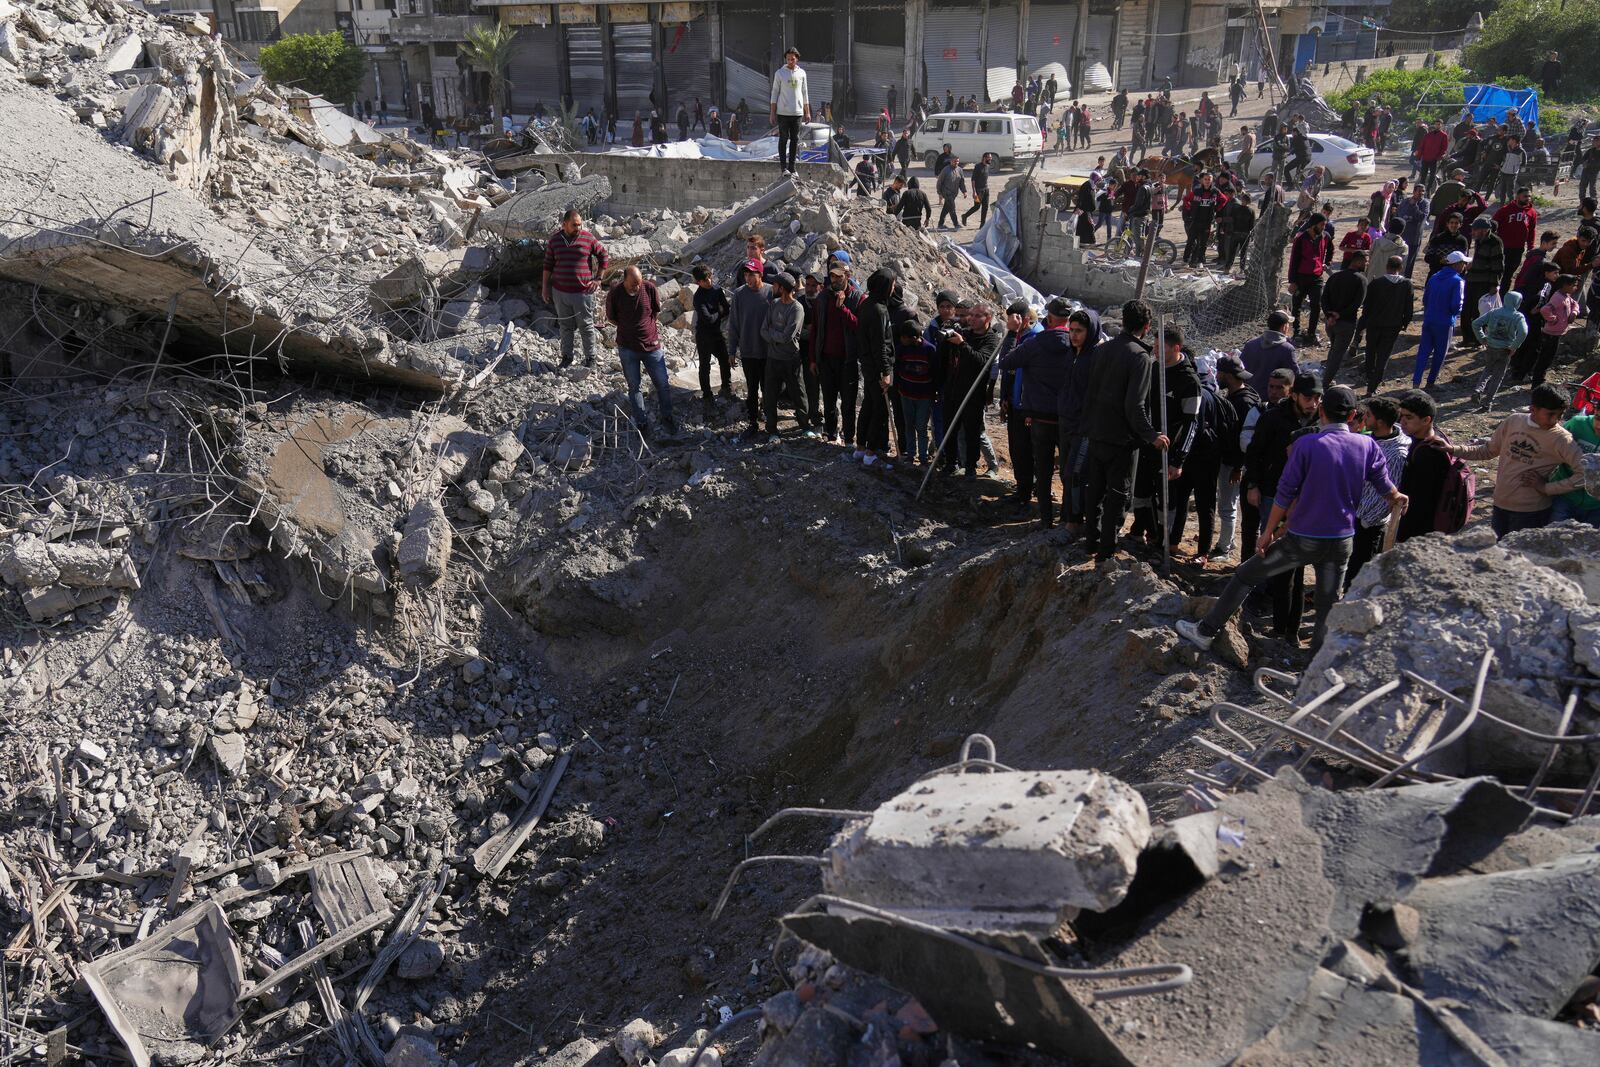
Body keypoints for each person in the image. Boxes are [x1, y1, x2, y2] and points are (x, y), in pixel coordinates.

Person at [1176, 384, 1405, 654]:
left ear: (1321, 411)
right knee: (1327, 606)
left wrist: (1268, 531)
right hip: (1342, 539)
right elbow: (1385, 485)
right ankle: (1316, 668)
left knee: (1245, 575)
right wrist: (1396, 497)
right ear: (1354, 415)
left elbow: (1285, 492)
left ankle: (1205, 631)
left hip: (1304, 537)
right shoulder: (1367, 445)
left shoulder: (1308, 444)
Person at [1081, 300, 1168, 560]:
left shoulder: (1102, 350)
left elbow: (1091, 392)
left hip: (1096, 431)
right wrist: (1152, 436)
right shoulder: (1140, 357)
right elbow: (1135, 405)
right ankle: (1106, 550)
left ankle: (1091, 542)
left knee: (1095, 490)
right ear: (1147, 326)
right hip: (1120, 439)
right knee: (1117, 496)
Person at [1449, 384, 1585, 537]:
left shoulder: (1561, 439)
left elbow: (1585, 474)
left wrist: (1546, 488)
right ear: (1533, 409)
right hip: (1501, 504)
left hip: (1531, 512)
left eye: (1560, 415)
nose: (1556, 420)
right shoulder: (1514, 421)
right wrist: (1452, 449)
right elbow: (1488, 450)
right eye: (1551, 414)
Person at [998, 298, 1072, 529]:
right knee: (1067, 469)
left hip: (1038, 415)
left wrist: (1011, 337)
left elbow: (1006, 362)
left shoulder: (1036, 343)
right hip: (1067, 416)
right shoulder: (1077, 344)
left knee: (1042, 466)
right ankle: (1068, 517)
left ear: (1048, 318)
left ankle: (1045, 518)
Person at [1344, 396, 1410, 591]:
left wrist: (1366, 520)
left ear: (1380, 422)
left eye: (1370, 415)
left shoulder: (1396, 454)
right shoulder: (1369, 440)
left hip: (1368, 524)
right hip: (1354, 513)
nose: (1366, 418)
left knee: (1360, 571)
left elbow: (1390, 495)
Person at [606, 267, 676, 437]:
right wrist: (628, 328)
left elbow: (655, 311)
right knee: (634, 386)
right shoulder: (615, 293)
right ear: (624, 280)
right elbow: (611, 318)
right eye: (632, 285)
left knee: (662, 384)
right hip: (627, 348)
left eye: (638, 284)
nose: (636, 288)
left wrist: (646, 330)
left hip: (651, 346)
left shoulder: (649, 288)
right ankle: (641, 422)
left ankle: (667, 417)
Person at [938, 302, 1002, 478]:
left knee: (972, 432)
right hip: (953, 389)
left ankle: (971, 467)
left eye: (977, 316)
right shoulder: (965, 333)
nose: (972, 319)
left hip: (973, 393)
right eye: (971, 315)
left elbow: (982, 361)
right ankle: (951, 463)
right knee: (949, 429)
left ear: (988, 318)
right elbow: (944, 356)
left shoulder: (991, 339)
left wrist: (962, 344)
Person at [542, 208, 609, 370]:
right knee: (565, 326)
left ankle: (590, 359)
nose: (578, 228)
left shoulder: (588, 238)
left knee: (586, 326)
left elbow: (603, 255)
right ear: (564, 224)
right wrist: (545, 288)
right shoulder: (555, 241)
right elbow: (547, 265)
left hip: (583, 293)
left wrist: (598, 278)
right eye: (574, 225)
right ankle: (566, 357)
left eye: (580, 225)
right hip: (560, 292)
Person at [1211, 355, 1261, 561]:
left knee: (1227, 505)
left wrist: (1238, 466)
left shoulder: (1243, 403)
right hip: (1234, 461)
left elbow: (1244, 439)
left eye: (1219, 373)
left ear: (1227, 376)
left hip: (1234, 463)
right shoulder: (1244, 396)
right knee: (1228, 503)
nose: (1217, 376)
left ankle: (1224, 547)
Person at [810, 266, 861, 444]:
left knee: (848, 403)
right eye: (832, 277)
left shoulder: (856, 297)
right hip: (826, 359)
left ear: (847, 276)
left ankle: (848, 438)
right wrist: (813, 359)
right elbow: (815, 330)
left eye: (838, 277)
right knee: (829, 401)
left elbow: (859, 327)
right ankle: (831, 434)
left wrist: (843, 309)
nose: (834, 281)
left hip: (848, 360)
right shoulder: (823, 298)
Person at [1393, 390, 1453, 543]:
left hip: (1419, 524)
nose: (1402, 422)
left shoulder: (1428, 452)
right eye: (1402, 416)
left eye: (1408, 417)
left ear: (1426, 420)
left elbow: (1421, 498)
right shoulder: (1434, 437)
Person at [855, 268, 897, 468]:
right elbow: (881, 345)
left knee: (868, 406)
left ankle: (860, 447)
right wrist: (886, 372)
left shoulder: (866, 304)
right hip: (877, 368)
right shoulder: (879, 310)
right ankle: (870, 452)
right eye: (892, 284)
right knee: (879, 410)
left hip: (868, 365)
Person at [758, 273, 808, 436]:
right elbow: (763, 330)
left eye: (775, 285)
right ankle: (771, 428)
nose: (772, 287)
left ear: (782, 288)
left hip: (790, 359)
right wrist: (776, 336)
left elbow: (788, 336)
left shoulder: (797, 308)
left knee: (798, 393)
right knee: (770, 395)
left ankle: (804, 426)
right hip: (773, 358)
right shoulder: (774, 304)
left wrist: (773, 335)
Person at [1360, 255, 1414, 396]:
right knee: (1383, 355)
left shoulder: (1376, 283)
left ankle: (1368, 375)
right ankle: (1372, 387)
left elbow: (1367, 306)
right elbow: (1409, 308)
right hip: (1393, 326)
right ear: (1400, 268)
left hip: (1374, 324)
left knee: (1371, 350)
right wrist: (1405, 323)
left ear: (1387, 266)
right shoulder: (1407, 284)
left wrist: (1364, 323)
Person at [727, 262, 770, 435]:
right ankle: (753, 421)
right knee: (752, 389)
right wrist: (731, 351)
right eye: (746, 275)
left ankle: (769, 419)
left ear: (760, 275)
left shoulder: (770, 291)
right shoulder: (739, 294)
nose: (748, 278)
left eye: (752, 274)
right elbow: (734, 324)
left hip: (768, 351)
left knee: (768, 388)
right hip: (748, 351)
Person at [1414, 250, 1467, 388]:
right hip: (1445, 322)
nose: (1464, 266)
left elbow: (1425, 299)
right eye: (1463, 263)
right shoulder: (1458, 281)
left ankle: (1416, 381)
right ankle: (1430, 382)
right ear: (1457, 264)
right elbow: (1456, 305)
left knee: (1423, 352)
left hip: (1430, 319)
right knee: (1440, 353)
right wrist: (1455, 313)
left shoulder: (1434, 277)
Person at [1321, 250, 1368, 386]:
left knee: (1333, 350)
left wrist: (1329, 315)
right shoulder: (1361, 279)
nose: (1367, 263)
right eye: (1365, 261)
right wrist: (1340, 315)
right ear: (1358, 261)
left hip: (1330, 323)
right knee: (1337, 355)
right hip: (1346, 324)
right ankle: (1325, 384)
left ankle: (1326, 379)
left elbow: (1324, 298)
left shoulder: (1335, 277)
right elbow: (1357, 304)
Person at [691, 265, 732, 415]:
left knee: (724, 359)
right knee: (705, 365)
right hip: (703, 335)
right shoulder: (698, 297)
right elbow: (707, 318)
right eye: (705, 280)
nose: (709, 281)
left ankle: (726, 388)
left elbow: (726, 308)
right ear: (698, 282)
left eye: (709, 277)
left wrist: (718, 314)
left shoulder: (716, 289)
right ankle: (707, 395)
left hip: (716, 332)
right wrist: (719, 313)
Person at [1528, 273, 1581, 386]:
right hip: (1550, 334)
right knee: (1545, 359)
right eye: (1573, 285)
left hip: (1556, 333)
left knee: (1548, 358)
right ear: (1564, 285)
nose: (1575, 288)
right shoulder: (1558, 298)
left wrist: (1574, 313)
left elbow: (1575, 304)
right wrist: (1553, 320)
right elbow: (1545, 310)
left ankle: (1539, 380)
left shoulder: (1566, 296)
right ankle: (1537, 383)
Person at [1460, 216, 1503, 349]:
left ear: (1484, 230)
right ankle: (1467, 339)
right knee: (1466, 310)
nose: (1472, 232)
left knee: (1478, 312)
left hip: (1484, 282)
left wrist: (1494, 285)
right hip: (1472, 280)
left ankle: (1478, 341)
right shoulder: (1479, 241)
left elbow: (1498, 266)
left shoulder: (1495, 242)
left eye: (1475, 230)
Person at [1289, 214, 1332, 345]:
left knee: (1316, 305)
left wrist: (1327, 263)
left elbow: (1330, 250)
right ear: (1314, 225)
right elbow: (1294, 260)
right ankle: (1296, 332)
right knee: (1296, 305)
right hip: (1301, 277)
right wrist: (1293, 281)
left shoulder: (1325, 237)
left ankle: (1311, 334)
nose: (1324, 227)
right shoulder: (1301, 238)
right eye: (1322, 225)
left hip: (1317, 277)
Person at [770, 48, 811, 175]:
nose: (790, 61)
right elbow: (774, 92)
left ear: (797, 58)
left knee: (795, 139)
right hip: (783, 113)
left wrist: (807, 112)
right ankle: (783, 168)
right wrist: (772, 112)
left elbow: (805, 93)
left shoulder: (802, 73)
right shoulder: (780, 73)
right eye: (788, 59)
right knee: (783, 139)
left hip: (797, 113)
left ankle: (792, 168)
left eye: (792, 59)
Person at [1492, 187, 1538, 296]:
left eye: (1529, 196)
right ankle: (1491, 294)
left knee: (1508, 274)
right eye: (1525, 196)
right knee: (1497, 271)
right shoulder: (1505, 210)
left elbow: (1531, 230)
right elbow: (1493, 225)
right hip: (1502, 247)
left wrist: (1530, 247)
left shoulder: (1532, 212)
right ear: (1517, 196)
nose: (1528, 198)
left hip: (1518, 248)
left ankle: (1502, 297)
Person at [1180, 172, 1228, 268]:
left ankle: (1200, 261)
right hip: (1195, 221)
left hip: (1207, 222)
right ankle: (1185, 260)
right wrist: (1190, 208)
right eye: (1205, 179)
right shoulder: (1196, 191)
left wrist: (1217, 209)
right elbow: (1186, 199)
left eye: (1209, 179)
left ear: (1212, 181)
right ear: (1202, 180)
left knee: (1203, 243)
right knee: (1190, 241)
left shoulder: (1215, 191)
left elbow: (1224, 199)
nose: (1207, 181)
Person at [1240, 310, 1299, 383]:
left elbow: (1240, 369)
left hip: (1249, 392)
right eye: (1288, 324)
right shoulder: (1287, 349)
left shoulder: (1250, 345)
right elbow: (1295, 375)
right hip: (1274, 394)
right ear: (1284, 327)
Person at [1418, 119, 1451, 191]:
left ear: (1441, 125)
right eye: (1436, 124)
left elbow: (1444, 148)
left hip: (1434, 159)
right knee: (1423, 175)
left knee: (1432, 176)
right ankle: (1421, 189)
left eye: (1439, 124)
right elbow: (1422, 145)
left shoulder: (1443, 135)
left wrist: (1438, 157)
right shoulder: (1428, 135)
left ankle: (1429, 190)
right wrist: (1419, 155)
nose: (1437, 126)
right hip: (1425, 157)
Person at [963, 153, 994, 227]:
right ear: (984, 158)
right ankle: (965, 216)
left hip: (986, 190)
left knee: (985, 207)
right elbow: (973, 180)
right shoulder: (978, 166)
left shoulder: (988, 166)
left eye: (991, 158)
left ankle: (982, 225)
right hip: (978, 191)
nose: (990, 159)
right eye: (989, 158)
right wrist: (974, 192)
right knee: (977, 206)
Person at [936, 155, 966, 230]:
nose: (956, 163)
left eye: (957, 161)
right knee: (952, 208)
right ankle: (956, 224)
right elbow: (939, 182)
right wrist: (939, 193)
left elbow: (961, 182)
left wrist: (964, 191)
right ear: (951, 161)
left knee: (946, 208)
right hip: (946, 192)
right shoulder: (945, 170)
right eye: (954, 161)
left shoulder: (960, 170)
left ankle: (940, 224)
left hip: (954, 193)